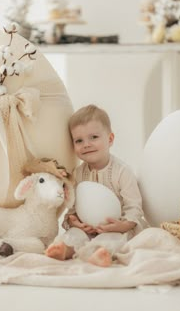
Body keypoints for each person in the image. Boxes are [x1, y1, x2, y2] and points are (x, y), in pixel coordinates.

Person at [45, 104, 147, 267]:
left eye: (93, 137)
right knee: (74, 234)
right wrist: (74, 221)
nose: (86, 144)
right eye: (79, 140)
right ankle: (64, 250)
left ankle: (100, 254)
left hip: (116, 228)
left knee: (112, 240)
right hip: (87, 228)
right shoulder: (77, 174)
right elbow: (72, 208)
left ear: (110, 139)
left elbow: (134, 207)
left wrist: (122, 225)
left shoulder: (122, 172)